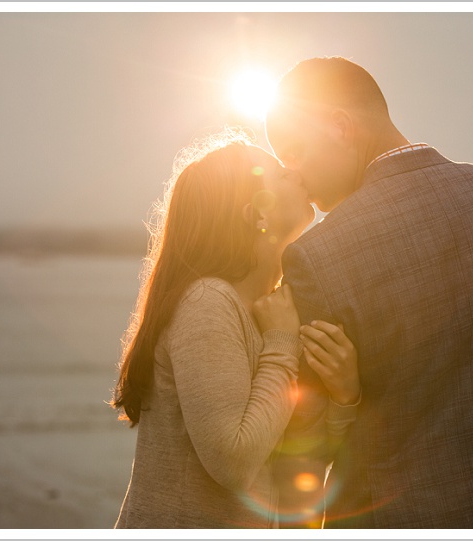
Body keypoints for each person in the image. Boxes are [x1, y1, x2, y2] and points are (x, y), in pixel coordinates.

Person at [264, 56, 473, 528]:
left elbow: (306, 439)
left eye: (294, 150)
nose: (292, 173)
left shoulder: (318, 255)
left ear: (340, 126)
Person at [110, 129, 361, 529]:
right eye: (281, 173)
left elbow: (300, 460)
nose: (296, 173)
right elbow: (233, 461)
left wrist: (346, 397)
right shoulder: (208, 302)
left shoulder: (274, 308)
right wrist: (281, 345)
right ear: (258, 213)